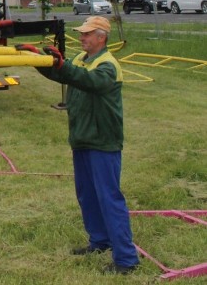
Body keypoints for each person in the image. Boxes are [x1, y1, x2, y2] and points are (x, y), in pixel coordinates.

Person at [34, 16, 140, 275]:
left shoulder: (107, 66)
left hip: (103, 142)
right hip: (82, 138)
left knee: (109, 198)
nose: (81, 38)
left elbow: (87, 81)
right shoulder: (82, 59)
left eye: (87, 34)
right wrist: (38, 60)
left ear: (101, 37)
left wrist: (61, 65)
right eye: (81, 34)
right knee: (87, 195)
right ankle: (100, 241)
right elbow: (65, 73)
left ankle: (126, 259)